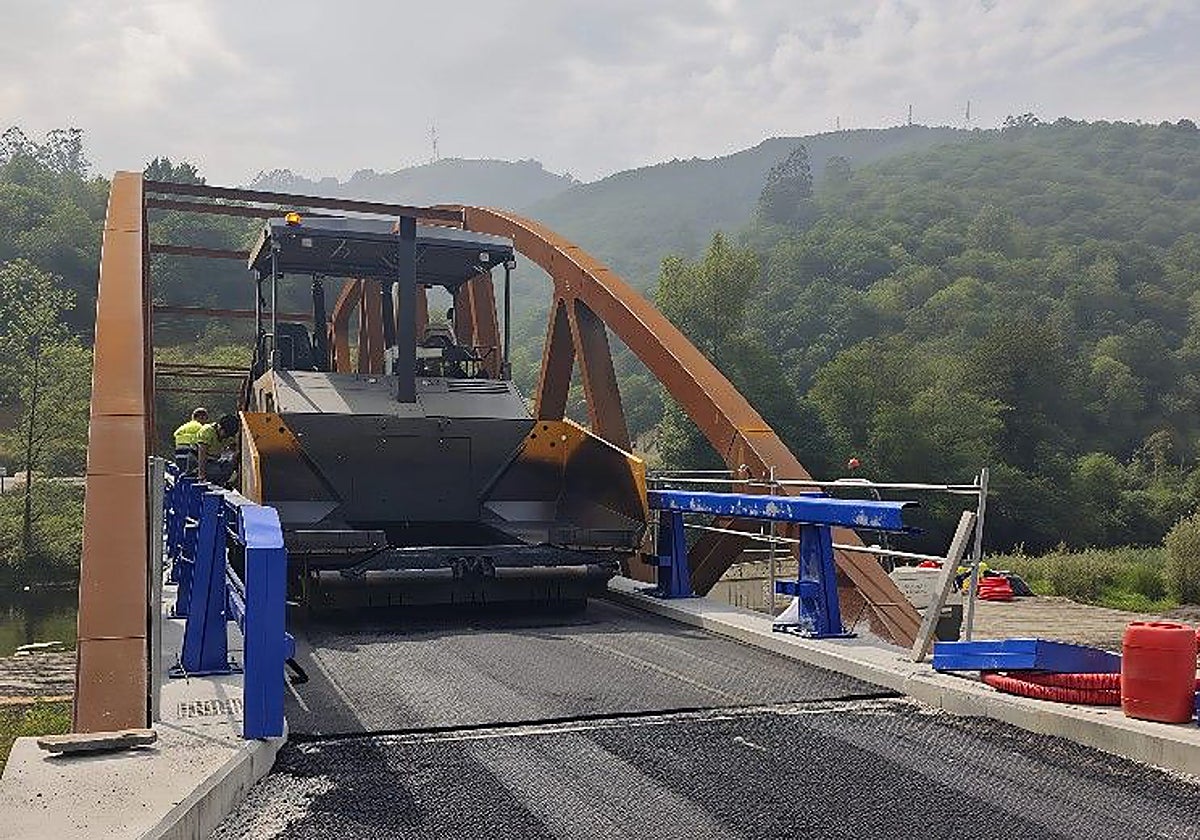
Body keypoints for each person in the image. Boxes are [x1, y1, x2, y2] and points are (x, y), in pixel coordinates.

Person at [196, 413, 240, 485]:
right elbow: (201, 455)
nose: (226, 437)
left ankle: (225, 483)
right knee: (217, 472)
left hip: (214, 462)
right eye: (226, 434)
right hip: (198, 463)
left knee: (228, 466)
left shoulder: (228, 436)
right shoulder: (207, 431)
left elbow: (234, 449)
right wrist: (201, 475)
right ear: (220, 428)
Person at [172, 407, 208, 473]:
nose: (206, 422)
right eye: (206, 418)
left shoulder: (184, 427)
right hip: (190, 459)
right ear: (201, 417)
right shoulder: (200, 428)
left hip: (178, 457)